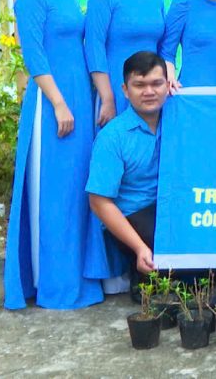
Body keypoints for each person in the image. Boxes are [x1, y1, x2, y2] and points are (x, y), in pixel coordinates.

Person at [4, 0, 104, 310]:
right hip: (52, 107)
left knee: (77, 192)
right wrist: (58, 103)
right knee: (53, 194)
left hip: (78, 102)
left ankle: (75, 278)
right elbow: (34, 55)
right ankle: (53, 285)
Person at [86, 51, 170, 276]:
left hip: (170, 210)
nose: (149, 91)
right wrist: (139, 247)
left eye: (156, 83)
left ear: (168, 85)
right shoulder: (113, 137)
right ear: (125, 90)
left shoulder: (179, 122)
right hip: (133, 217)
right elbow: (99, 202)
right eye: (139, 85)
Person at [85, 0, 165, 124]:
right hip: (117, 92)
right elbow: (94, 48)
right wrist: (107, 97)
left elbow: (163, 48)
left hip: (151, 93)